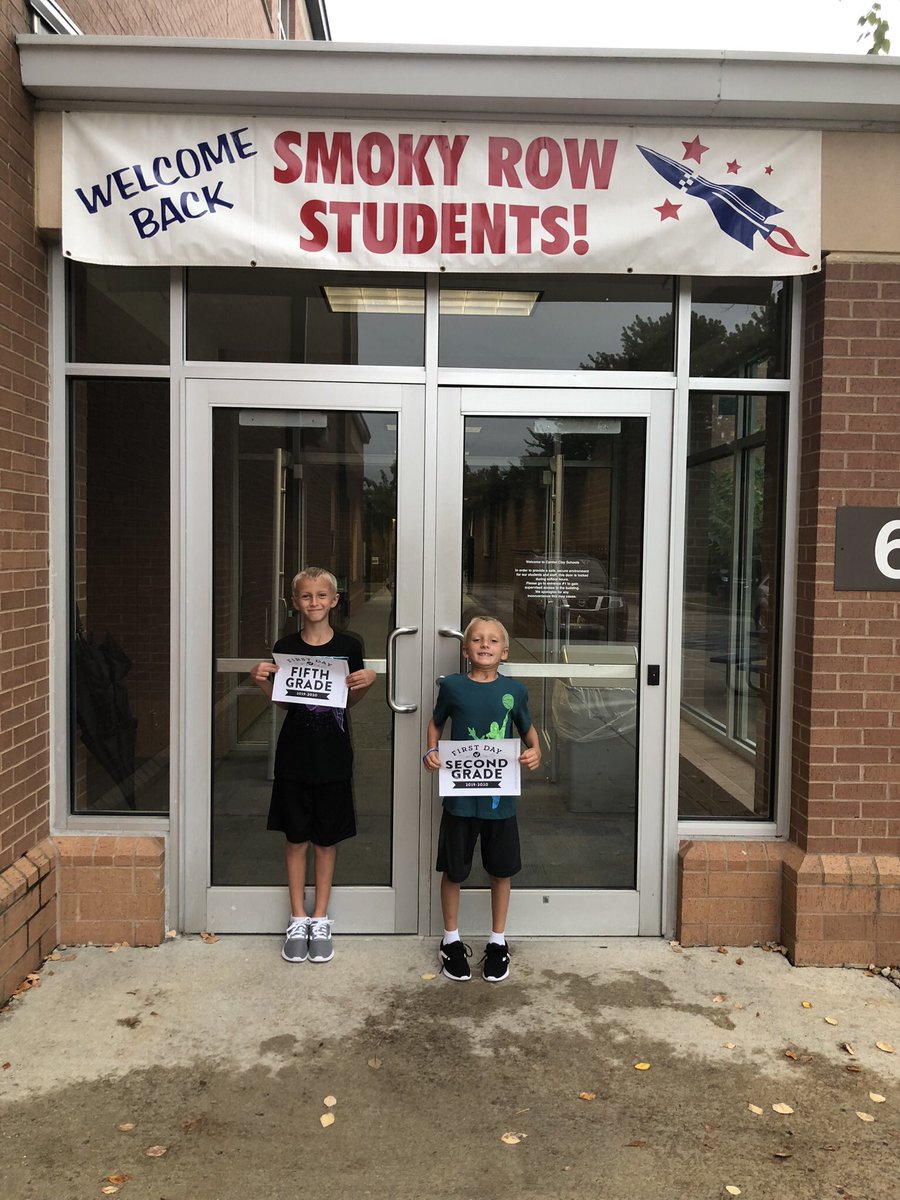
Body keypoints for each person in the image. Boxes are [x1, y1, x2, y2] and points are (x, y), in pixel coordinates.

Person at [251, 567, 375, 965]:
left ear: (334, 600)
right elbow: (286, 701)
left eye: (322, 596)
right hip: (295, 752)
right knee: (295, 837)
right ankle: (297, 917)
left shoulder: (349, 646)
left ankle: (320, 917)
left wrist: (366, 684)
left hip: (334, 752)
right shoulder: (285, 645)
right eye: (306, 596)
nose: (315, 603)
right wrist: (261, 681)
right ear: (295, 602)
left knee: (326, 838)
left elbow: (346, 702)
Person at [423, 616, 541, 983]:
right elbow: (435, 723)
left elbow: (528, 732)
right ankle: (451, 939)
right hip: (460, 801)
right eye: (477, 640)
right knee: (454, 870)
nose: (484, 645)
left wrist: (535, 752)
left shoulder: (515, 691)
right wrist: (429, 750)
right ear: (465, 649)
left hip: (499, 801)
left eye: (492, 641)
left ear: (504, 652)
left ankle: (497, 941)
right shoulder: (454, 687)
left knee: (500, 871)